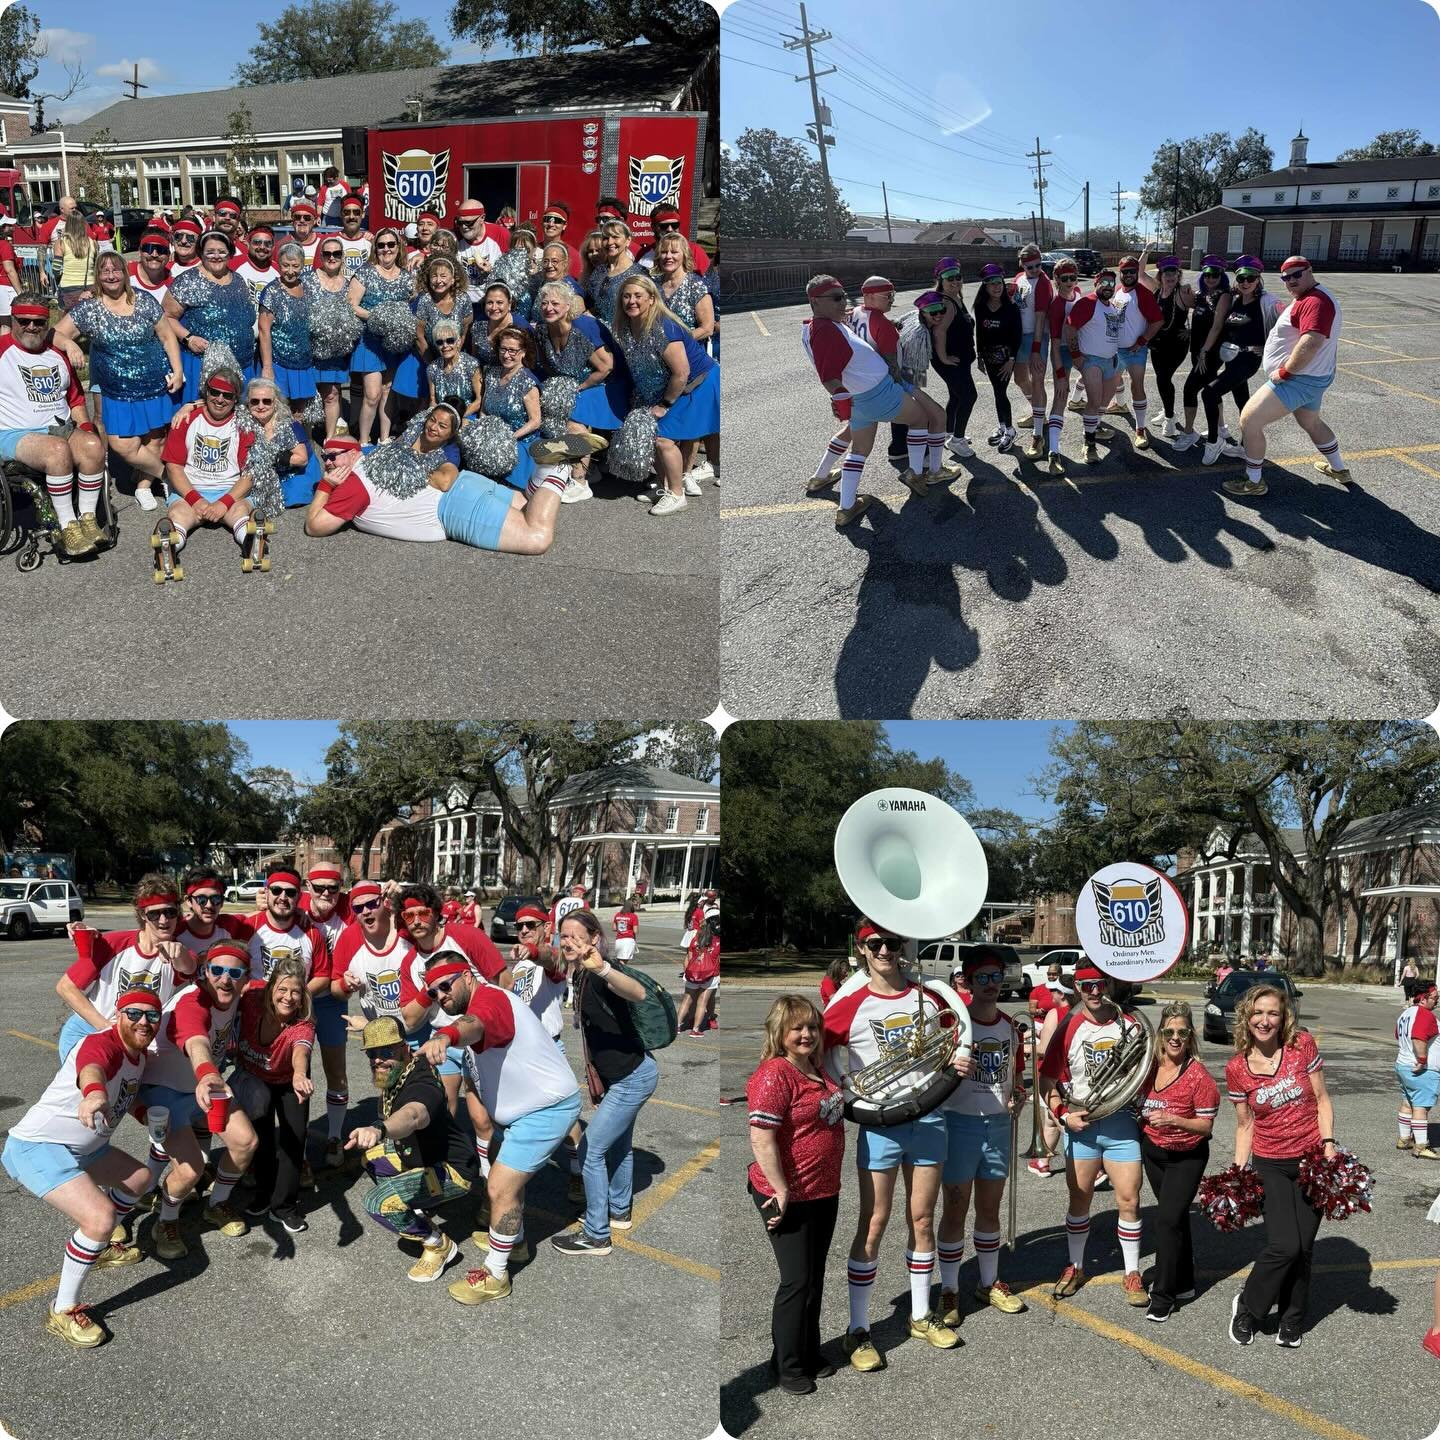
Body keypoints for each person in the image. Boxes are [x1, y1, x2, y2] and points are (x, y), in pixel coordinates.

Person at [823, 920, 964, 1369]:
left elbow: (956, 1036)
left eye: (892, 943)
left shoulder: (930, 996)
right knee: (874, 1221)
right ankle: (858, 1329)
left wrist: (959, 1058)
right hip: (880, 1122)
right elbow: (819, 1053)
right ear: (862, 949)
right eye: (875, 944)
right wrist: (846, 1096)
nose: (884, 950)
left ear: (903, 947)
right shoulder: (849, 1003)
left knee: (922, 1218)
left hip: (930, 1119)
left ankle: (920, 1314)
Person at [0, 992, 167, 1348]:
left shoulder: (138, 1056)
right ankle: (62, 1310)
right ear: (119, 1015)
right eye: (134, 1013)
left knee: (140, 1179)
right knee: (100, 1218)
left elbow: (126, 1094)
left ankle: (100, 1247)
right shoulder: (103, 1043)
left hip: (88, 1149)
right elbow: (92, 1068)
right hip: (38, 1146)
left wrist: (144, 1114)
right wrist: (93, 1093)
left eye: (152, 1016)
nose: (143, 1022)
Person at [420, 949, 582, 1302]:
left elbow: (473, 1025)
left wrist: (445, 1036)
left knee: (499, 1187)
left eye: (445, 986)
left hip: (546, 1109)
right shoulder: (481, 1001)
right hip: (528, 1112)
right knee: (506, 1181)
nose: (440, 996)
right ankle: (516, 1242)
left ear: (467, 976)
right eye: (433, 992)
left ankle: (495, 1274)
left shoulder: (490, 1002)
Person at [1224, 984, 1339, 1347]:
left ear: (1283, 1017)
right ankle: (1248, 1307)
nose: (1265, 1020)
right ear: (1247, 1018)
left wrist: (1329, 1144)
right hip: (1270, 1163)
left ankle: (1292, 1319)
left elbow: (1321, 1098)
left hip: (1311, 1161)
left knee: (1303, 1247)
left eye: (1272, 1013)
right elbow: (1245, 1125)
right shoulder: (1237, 1068)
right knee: (1285, 1245)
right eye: (1258, 1013)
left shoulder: (1302, 1046)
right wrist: (1238, 1173)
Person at [748, 995, 845, 1395]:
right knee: (796, 1281)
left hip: (823, 1189)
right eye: (797, 1028)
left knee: (814, 1278)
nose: (807, 1034)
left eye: (812, 1027)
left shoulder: (816, 1067)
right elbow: (761, 1138)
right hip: (786, 1194)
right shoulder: (775, 1074)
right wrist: (781, 1189)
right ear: (780, 1032)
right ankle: (787, 1366)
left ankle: (806, 1351)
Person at [548, 908, 656, 1258]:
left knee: (590, 1151)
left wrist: (604, 969)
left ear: (594, 938)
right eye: (563, 935)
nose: (567, 942)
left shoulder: (601, 972)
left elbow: (638, 993)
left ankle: (596, 1235)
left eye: (574, 936)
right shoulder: (581, 974)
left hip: (632, 1078)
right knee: (619, 1145)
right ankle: (619, 1211)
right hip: (622, 1077)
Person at [139, 939, 260, 1250]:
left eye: (235, 973)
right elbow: (195, 1040)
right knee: (191, 1168)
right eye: (217, 971)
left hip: (201, 1088)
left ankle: (216, 1204)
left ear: (246, 978)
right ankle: (166, 1221)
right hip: (165, 1089)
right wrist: (208, 1073)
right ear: (205, 972)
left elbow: (280, 991)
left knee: (246, 1141)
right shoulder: (192, 1001)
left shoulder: (239, 993)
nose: (225, 979)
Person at [1039, 964, 1148, 1305]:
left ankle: (1132, 1272)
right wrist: (1062, 1115)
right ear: (1077, 988)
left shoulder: (1131, 1024)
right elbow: (1046, 1080)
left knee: (1130, 1199)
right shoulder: (1069, 1027)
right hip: (1081, 1124)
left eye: (1100, 984)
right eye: (1087, 986)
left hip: (1120, 1124)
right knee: (1080, 1199)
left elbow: (1147, 1069)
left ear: (1109, 984)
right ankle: (1076, 1266)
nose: (1095, 991)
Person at [305, 424, 584, 554]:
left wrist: (326, 486)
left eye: (335, 456)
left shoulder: (352, 485)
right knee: (527, 502)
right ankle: (543, 471)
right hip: (464, 484)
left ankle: (557, 468)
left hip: (453, 509)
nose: (328, 463)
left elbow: (315, 527)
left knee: (537, 537)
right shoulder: (376, 453)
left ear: (355, 454)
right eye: (325, 457)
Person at [803, 274, 946, 527]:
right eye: (836, 298)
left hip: (861, 396)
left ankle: (846, 506)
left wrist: (844, 395)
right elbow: (828, 374)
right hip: (877, 391)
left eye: (843, 296)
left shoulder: (827, 323)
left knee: (859, 450)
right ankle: (915, 473)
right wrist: (838, 395)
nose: (842, 302)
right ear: (815, 302)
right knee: (921, 418)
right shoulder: (826, 330)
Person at [345, 1016, 477, 1283]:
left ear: (405, 1049)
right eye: (371, 1053)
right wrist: (368, 1027)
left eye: (386, 1052)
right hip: (419, 1154)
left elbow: (413, 1115)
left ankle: (437, 1244)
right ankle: (416, 1207)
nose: (378, 1060)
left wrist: (379, 1129)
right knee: (371, 1159)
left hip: (451, 1170)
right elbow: (391, 1035)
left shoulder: (422, 1083)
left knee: (378, 1203)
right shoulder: (401, 1066)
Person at [936, 948, 1028, 1329]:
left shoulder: (1011, 1028)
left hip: (998, 1125)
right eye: (982, 978)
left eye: (996, 977)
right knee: (955, 1209)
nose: (990, 984)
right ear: (968, 983)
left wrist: (1019, 1095)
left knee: (990, 1208)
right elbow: (934, 1073)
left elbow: (1017, 1077)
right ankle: (949, 1289)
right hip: (960, 1124)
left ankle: (988, 1282)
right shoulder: (954, 1024)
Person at [53, 250, 182, 513]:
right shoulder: (90, 308)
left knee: (155, 440)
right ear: (98, 276)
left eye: (116, 270)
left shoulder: (144, 300)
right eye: (105, 271)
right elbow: (55, 333)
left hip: (155, 383)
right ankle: (168, 475)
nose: (111, 275)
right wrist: (69, 344)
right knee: (123, 445)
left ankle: (144, 486)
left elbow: (167, 336)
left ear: (125, 273)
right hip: (117, 391)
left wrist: (178, 371)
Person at [1224, 255, 1347, 502]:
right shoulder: (1309, 296)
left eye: (1296, 274)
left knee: (1250, 421)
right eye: (1285, 277)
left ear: (1309, 270)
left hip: (1298, 379)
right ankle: (1339, 469)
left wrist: (1285, 371)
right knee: (1311, 422)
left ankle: (1253, 482)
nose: (1290, 280)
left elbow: (1311, 341)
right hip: (1313, 377)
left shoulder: (1315, 300)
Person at [0, 294, 108, 556]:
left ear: (48, 324)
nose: (31, 327)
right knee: (57, 450)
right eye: (24, 321)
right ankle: (67, 526)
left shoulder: (57, 353)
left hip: (59, 428)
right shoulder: (2, 350)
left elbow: (75, 399)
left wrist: (85, 428)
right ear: (12, 319)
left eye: (38, 322)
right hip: (14, 433)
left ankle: (87, 519)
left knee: (93, 445)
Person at [1138, 1001, 1219, 1322]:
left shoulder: (1199, 1077)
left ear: (1190, 1036)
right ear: (1160, 1033)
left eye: (1182, 1033)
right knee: (1176, 1220)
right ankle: (1184, 1281)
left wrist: (1174, 1119)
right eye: (1169, 1031)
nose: (1175, 1038)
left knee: (1166, 1220)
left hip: (1186, 1157)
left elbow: (1206, 1126)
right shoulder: (1147, 1067)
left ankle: (1164, 1295)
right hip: (1153, 1153)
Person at [58, 876, 196, 1061]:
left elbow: (189, 967)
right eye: (154, 914)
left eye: (170, 912)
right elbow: (66, 987)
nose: (163, 920)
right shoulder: (112, 944)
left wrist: (178, 953)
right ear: (142, 915)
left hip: (132, 1041)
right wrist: (106, 1027)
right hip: (88, 1031)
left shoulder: (179, 953)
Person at [232, 959, 314, 1232]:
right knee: (262, 1137)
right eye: (283, 989)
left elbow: (301, 1050)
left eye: (296, 992)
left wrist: (300, 1075)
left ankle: (284, 1207)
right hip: (255, 1078)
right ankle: (264, 1194)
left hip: (291, 1081)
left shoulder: (303, 1024)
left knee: (294, 1138)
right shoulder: (252, 999)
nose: (288, 997)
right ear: (270, 989)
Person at [160, 367, 262, 557]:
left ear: (235, 399)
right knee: (179, 514)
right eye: (215, 392)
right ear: (206, 392)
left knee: (240, 511)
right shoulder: (185, 419)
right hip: (191, 489)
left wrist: (224, 502)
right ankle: (169, 547)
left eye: (227, 395)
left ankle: (251, 542)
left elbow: (250, 473)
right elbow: (173, 467)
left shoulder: (244, 425)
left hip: (230, 491)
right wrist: (195, 500)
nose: (220, 399)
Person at [1190, 255, 1277, 467]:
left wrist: (1266, 346)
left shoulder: (1267, 302)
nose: (1246, 282)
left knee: (1209, 393)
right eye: (1241, 278)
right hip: (1231, 357)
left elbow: (1286, 330)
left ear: (1258, 279)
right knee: (1242, 400)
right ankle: (1246, 445)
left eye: (1251, 278)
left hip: (1247, 360)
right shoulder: (1236, 300)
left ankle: (1214, 442)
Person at [163, 230, 257, 403]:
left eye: (221, 251)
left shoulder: (238, 280)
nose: (216, 256)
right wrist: (188, 338)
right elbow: (166, 317)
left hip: (242, 364)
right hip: (202, 366)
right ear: (201, 253)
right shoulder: (188, 281)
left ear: (230, 254)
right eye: (210, 252)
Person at [347, 226, 415, 445]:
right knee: (372, 394)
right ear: (375, 248)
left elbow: (410, 306)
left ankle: (384, 439)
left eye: (391, 244)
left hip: (394, 343)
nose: (386, 249)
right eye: (381, 245)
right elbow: (351, 305)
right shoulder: (366, 272)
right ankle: (364, 441)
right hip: (370, 341)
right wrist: (378, 318)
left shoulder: (406, 277)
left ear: (398, 247)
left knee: (388, 391)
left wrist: (398, 323)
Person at [1062, 268, 1125, 465]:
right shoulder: (1088, 303)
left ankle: (1094, 427)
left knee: (1104, 402)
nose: (1108, 287)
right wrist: (1076, 356)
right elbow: (1070, 328)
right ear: (1096, 284)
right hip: (1092, 361)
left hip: (1110, 360)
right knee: (1094, 401)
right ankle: (1089, 444)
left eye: (1111, 283)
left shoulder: (1111, 306)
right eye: (1103, 283)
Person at [1171, 257, 1232, 450]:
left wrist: (1205, 351)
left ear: (1222, 276)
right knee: (1210, 385)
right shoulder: (1201, 295)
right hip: (1198, 349)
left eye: (1215, 275)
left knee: (1190, 388)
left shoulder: (1224, 296)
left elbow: (1217, 326)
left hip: (1210, 352)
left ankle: (1189, 432)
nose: (1210, 278)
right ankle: (1221, 428)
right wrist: (1191, 331)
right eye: (1207, 275)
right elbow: (1192, 308)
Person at [479, 324, 544, 492]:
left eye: (512, 350)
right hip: (493, 435)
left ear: (523, 352)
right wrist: (483, 433)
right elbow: (484, 410)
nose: (506, 355)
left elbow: (535, 421)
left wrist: (509, 438)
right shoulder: (491, 374)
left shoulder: (527, 381)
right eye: (503, 349)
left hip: (519, 441)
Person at [924, 260, 978, 462]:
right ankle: (957, 440)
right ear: (941, 280)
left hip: (959, 359)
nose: (955, 281)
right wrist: (944, 358)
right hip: (950, 361)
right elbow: (939, 332)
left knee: (956, 396)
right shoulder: (946, 302)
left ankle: (950, 433)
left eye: (958, 277)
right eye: (949, 278)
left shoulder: (955, 298)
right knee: (969, 396)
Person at [401, 255, 472, 409]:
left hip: (455, 356)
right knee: (427, 401)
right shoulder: (425, 300)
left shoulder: (463, 299)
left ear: (453, 279)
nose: (438, 280)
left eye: (443, 276)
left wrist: (453, 357)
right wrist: (433, 364)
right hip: (429, 355)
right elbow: (419, 335)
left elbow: (465, 331)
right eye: (434, 276)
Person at [1110, 255, 1164, 448]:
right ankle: (1119, 405)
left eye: (1133, 271)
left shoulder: (1143, 294)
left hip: (1135, 350)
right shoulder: (1118, 290)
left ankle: (1140, 429)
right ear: (1120, 273)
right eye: (1125, 271)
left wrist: (1141, 341)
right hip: (1116, 348)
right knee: (1112, 381)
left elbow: (1157, 321)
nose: (1129, 275)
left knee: (1137, 386)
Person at [1137, 253, 1191, 440]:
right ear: (1160, 275)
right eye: (1166, 272)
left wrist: (1192, 331)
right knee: (1162, 380)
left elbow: (1206, 309)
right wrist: (1145, 251)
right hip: (1157, 344)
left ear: (1178, 274)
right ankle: (1168, 410)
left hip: (1176, 346)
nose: (1170, 276)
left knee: (1164, 379)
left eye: (1173, 272)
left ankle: (1169, 418)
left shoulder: (1183, 293)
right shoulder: (1157, 289)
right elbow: (1140, 272)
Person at [257, 243, 318, 404]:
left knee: (302, 411)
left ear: (302, 265)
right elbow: (264, 330)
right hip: (279, 364)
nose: (290, 271)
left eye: (295, 266)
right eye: (286, 265)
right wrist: (267, 367)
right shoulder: (271, 291)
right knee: (280, 409)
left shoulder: (308, 288)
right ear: (279, 264)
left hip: (304, 363)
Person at [973, 263, 1023, 453]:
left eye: (999, 282)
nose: (997, 286)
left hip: (1005, 358)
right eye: (992, 283)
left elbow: (1017, 336)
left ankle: (1010, 431)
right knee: (996, 391)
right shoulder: (980, 307)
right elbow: (979, 333)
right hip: (988, 357)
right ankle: (1002, 426)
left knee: (1001, 392)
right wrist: (979, 356)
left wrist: (1011, 360)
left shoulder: (1011, 308)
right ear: (985, 286)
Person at [1011, 244, 1053, 460]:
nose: (1036, 269)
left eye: (1038, 265)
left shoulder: (1044, 283)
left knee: (1037, 382)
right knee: (1020, 379)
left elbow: (1040, 318)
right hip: (1019, 337)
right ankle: (1039, 413)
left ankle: (1038, 435)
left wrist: (1036, 349)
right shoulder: (1019, 278)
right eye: (1030, 266)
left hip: (1037, 337)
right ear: (1022, 264)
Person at [1397, 981, 1440, 1159]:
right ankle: (1421, 1146)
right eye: (1434, 997)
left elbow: (1399, 1035)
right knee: (1421, 1107)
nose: (1437, 1000)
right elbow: (1418, 1036)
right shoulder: (1424, 1015)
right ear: (1423, 998)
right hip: (1421, 1069)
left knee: (1408, 1103)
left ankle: (1404, 1139)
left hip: (1403, 1065)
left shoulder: (1406, 1013)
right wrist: (1422, 1059)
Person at [586, 219, 645, 336]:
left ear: (628, 240)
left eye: (615, 237)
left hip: (626, 337)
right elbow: (592, 304)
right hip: (597, 335)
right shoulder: (599, 271)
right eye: (606, 238)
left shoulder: (639, 273)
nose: (610, 242)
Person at [427, 318, 483, 416]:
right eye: (440, 342)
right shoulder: (432, 368)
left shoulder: (471, 364)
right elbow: (433, 401)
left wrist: (457, 418)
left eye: (450, 341)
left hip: (466, 415)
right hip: (441, 417)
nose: (445, 345)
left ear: (459, 342)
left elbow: (479, 400)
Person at [52, 210, 99, 312]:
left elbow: (56, 269)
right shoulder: (93, 243)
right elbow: (96, 267)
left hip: (69, 287)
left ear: (68, 224)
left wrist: (60, 277)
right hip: (90, 285)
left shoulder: (61, 243)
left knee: (69, 318)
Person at [232, 225, 276, 310]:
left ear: (273, 248)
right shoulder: (232, 264)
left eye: (267, 244)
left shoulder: (279, 271)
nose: (262, 247)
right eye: (257, 242)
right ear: (248, 244)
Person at [0, 209, 25, 318]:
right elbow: (9, 270)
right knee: (10, 321)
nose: (12, 227)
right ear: (2, 228)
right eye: (9, 225)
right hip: (6, 287)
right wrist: (20, 293)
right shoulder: (4, 245)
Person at [612, 896, 639, 962]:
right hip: (628, 940)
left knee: (619, 960)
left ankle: (616, 968)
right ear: (631, 906)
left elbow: (614, 928)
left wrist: (622, 929)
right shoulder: (633, 916)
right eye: (635, 905)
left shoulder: (617, 914)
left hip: (618, 940)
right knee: (623, 961)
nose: (636, 907)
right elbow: (635, 931)